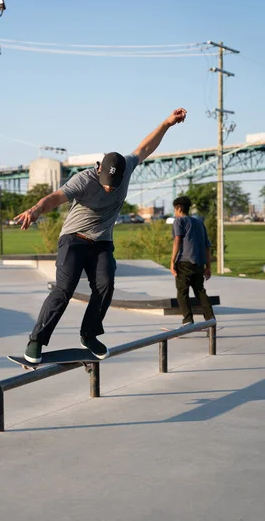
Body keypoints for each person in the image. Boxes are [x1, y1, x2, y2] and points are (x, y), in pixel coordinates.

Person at [15, 108, 188, 364]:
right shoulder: (83, 180)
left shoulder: (127, 166)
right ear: (99, 169)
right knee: (64, 289)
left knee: (106, 285)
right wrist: (36, 209)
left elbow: (145, 148)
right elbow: (55, 197)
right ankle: (36, 341)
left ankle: (89, 334)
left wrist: (167, 123)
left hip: (102, 243)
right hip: (73, 240)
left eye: (113, 186)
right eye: (106, 183)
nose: (109, 188)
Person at [170, 195, 215, 326]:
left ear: (178, 208)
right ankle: (210, 319)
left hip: (184, 262)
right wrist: (208, 266)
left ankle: (188, 320)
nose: (174, 212)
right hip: (199, 264)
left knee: (182, 292)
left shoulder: (179, 221)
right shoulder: (199, 223)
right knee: (200, 291)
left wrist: (172, 261)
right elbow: (207, 246)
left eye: (174, 210)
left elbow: (177, 240)